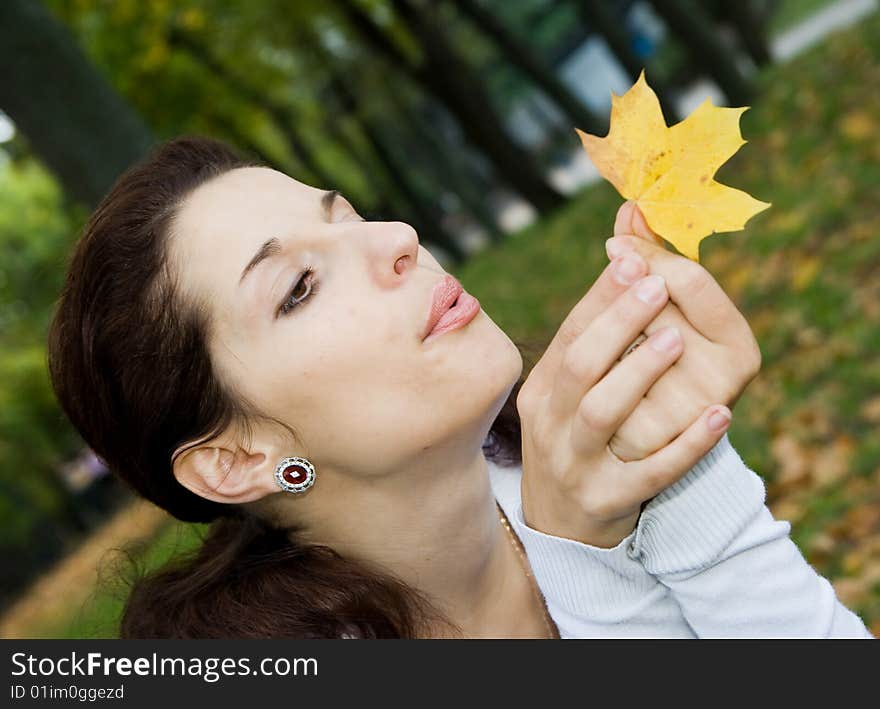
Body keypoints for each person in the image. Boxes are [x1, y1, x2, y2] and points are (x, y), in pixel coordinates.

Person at [47, 136, 872, 639]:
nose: (399, 239)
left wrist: (682, 466)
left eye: (348, 216)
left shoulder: (584, 454)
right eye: (299, 285)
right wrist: (585, 551)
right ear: (236, 457)